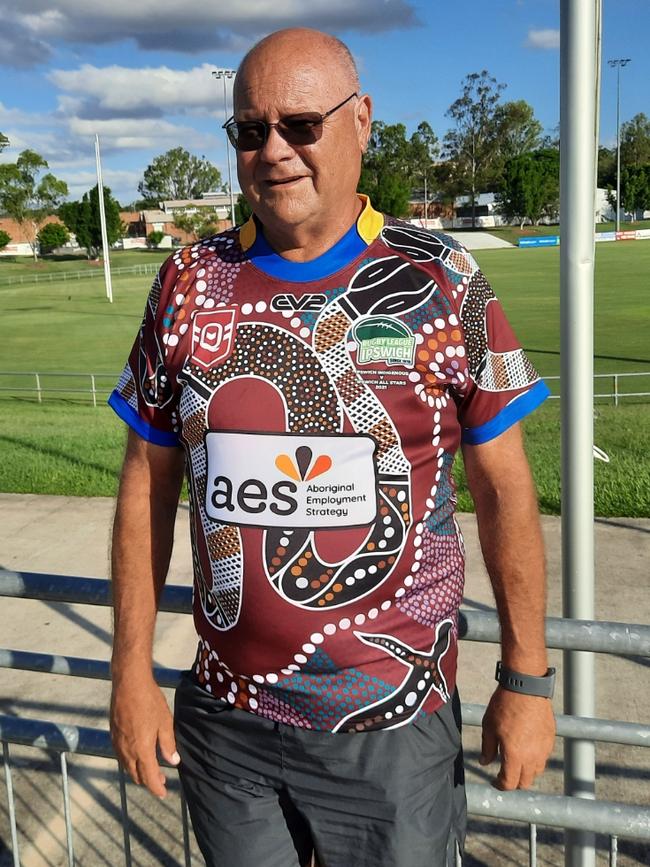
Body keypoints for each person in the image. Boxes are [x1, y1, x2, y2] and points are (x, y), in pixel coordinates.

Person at [109, 27, 556, 867]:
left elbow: (503, 486)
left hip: (390, 732)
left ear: (362, 121)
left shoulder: (439, 278)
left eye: (302, 124)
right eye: (250, 130)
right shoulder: (186, 280)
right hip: (227, 723)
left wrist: (526, 678)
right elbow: (145, 484)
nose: (274, 150)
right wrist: (130, 675)